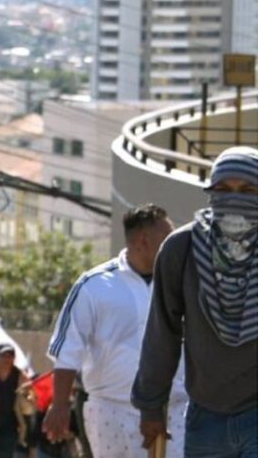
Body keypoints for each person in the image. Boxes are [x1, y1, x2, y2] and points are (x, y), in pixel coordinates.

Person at [133, 147, 258, 458]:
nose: (234, 199)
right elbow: (162, 333)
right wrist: (151, 406)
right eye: (223, 189)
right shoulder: (182, 248)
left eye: (247, 191)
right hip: (206, 417)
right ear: (210, 194)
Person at [43, 203, 183, 458]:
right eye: (167, 237)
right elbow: (68, 350)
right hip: (111, 411)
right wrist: (60, 404)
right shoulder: (93, 286)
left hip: (174, 411)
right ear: (143, 240)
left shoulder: (181, 283)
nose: (174, 244)